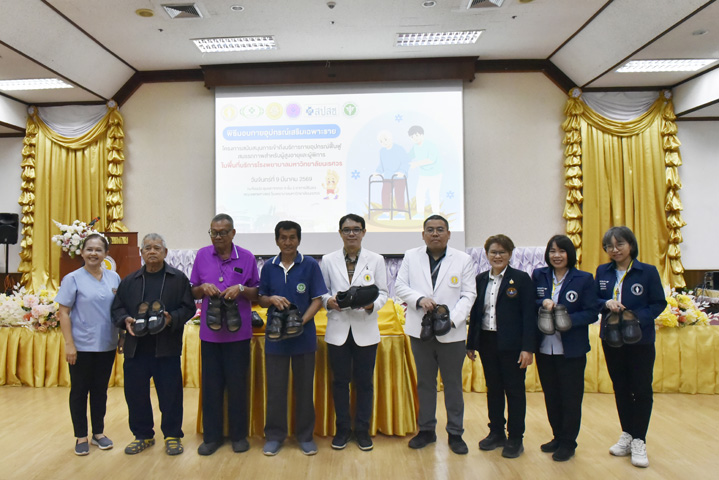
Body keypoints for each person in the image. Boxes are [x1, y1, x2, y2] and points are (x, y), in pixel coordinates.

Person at [395, 215, 477, 455]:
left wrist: (451, 320)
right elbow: (400, 286)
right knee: (425, 383)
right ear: (423, 235)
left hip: (452, 333)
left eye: (440, 229)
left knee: (453, 385)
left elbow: (469, 294)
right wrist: (419, 299)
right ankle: (427, 430)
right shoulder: (411, 256)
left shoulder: (463, 259)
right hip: (420, 331)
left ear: (449, 234)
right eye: (430, 230)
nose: (435, 234)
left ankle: (455, 433)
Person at [111, 233, 195, 456]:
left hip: (166, 347)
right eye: (147, 248)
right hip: (136, 348)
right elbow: (117, 308)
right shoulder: (129, 281)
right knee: (135, 394)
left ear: (165, 252)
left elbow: (188, 308)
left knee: (170, 395)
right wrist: (125, 320)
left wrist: (171, 318)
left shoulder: (178, 279)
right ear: (141, 253)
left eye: (157, 248)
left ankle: (172, 435)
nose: (152, 251)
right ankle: (143, 435)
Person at [595, 226, 666, 468]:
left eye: (620, 245)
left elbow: (658, 303)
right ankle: (627, 433)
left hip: (640, 339)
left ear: (631, 245)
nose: (614, 250)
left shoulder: (647, 272)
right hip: (612, 338)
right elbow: (593, 300)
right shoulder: (602, 271)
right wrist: (606, 303)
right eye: (609, 246)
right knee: (621, 387)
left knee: (641, 389)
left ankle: (639, 440)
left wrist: (635, 318)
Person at [190, 214, 260, 455]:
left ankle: (239, 436)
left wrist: (240, 289)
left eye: (222, 232)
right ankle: (212, 437)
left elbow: (257, 293)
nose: (217, 237)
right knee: (211, 387)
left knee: (238, 386)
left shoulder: (247, 257)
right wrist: (202, 288)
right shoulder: (202, 255)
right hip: (210, 335)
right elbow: (193, 290)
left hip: (238, 334)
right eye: (213, 232)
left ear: (233, 233)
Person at [258, 220, 328, 456]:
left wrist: (301, 322)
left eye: (292, 238)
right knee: (276, 390)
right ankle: (275, 436)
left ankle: (305, 436)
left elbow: (318, 300)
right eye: (283, 238)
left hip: (304, 338)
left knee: (304, 390)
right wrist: (271, 299)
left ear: (299, 239)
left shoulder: (310, 265)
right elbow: (261, 299)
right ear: (276, 240)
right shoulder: (268, 266)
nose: (287, 242)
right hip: (275, 338)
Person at [320, 214, 389, 451]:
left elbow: (384, 293)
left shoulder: (376, 259)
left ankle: (362, 430)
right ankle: (342, 430)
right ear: (340, 233)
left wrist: (371, 305)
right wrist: (329, 301)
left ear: (364, 232)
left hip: (365, 329)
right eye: (347, 229)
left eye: (356, 229)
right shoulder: (328, 260)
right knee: (340, 382)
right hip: (337, 329)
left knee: (364, 383)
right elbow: (322, 291)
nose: (352, 234)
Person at [466, 234, 535, 459]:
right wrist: (471, 343)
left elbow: (529, 315)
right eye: (493, 252)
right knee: (493, 389)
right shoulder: (480, 279)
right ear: (486, 254)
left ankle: (515, 437)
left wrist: (528, 348)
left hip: (513, 346)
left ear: (510, 254)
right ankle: (496, 432)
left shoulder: (521, 279)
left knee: (514, 391)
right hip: (488, 342)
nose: (497, 256)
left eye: (502, 252)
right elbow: (476, 314)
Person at [531, 235, 598, 462]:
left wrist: (567, 319)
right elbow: (530, 302)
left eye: (561, 251)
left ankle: (569, 442)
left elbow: (591, 312)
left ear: (570, 253)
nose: (556, 255)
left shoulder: (584, 278)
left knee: (570, 397)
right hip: (544, 348)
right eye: (552, 251)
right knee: (552, 396)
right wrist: (542, 303)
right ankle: (557, 436)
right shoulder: (539, 275)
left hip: (571, 350)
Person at [56, 233, 120, 456]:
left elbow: (119, 310)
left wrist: (121, 335)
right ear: (82, 252)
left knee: (100, 391)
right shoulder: (72, 279)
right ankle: (81, 436)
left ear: (106, 254)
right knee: (79, 391)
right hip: (81, 346)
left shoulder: (114, 278)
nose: (94, 253)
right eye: (89, 249)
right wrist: (69, 344)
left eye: (98, 250)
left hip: (107, 344)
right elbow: (64, 312)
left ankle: (98, 433)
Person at [407, 125, 442, 220]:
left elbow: (431, 159)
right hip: (423, 175)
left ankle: (436, 213)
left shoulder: (430, 145)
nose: (415, 138)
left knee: (433, 194)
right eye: (412, 137)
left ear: (422, 135)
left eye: (416, 135)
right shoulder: (415, 147)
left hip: (435, 174)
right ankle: (420, 213)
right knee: (420, 193)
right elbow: (409, 156)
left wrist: (416, 164)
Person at [374, 131, 409, 220]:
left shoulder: (399, 149)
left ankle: (401, 213)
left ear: (391, 138)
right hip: (388, 177)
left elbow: (405, 162)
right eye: (381, 141)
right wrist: (378, 172)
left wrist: (402, 171)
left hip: (399, 177)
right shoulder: (382, 151)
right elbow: (381, 164)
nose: (384, 142)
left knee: (399, 194)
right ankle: (385, 213)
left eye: (385, 139)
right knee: (385, 193)